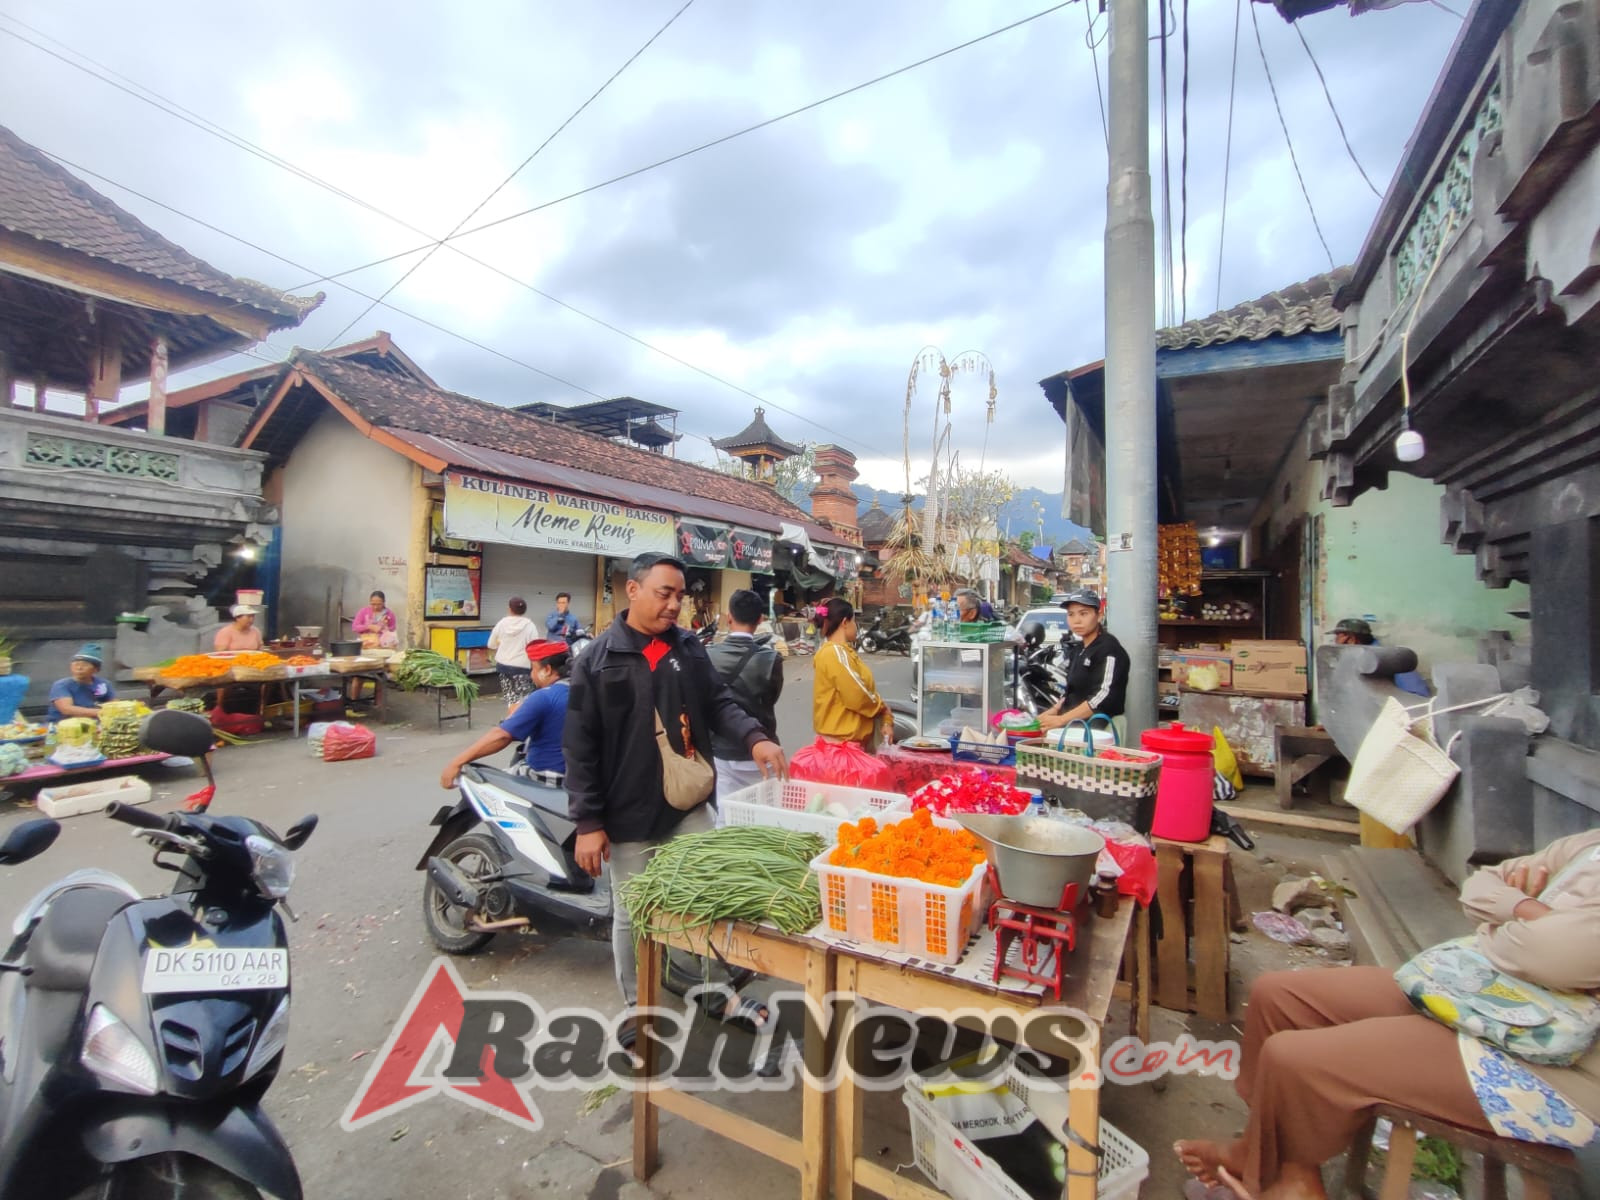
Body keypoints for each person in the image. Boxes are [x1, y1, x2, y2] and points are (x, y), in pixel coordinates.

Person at [1176, 829, 1600, 1200]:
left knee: (1294, 1059)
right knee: (1278, 998)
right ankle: (1281, 1170)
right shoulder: (1589, 844)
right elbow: (1478, 890)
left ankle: (1268, 1173)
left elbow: (1554, 954)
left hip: (1559, 1064)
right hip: (1488, 991)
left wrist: (1514, 912)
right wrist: (1528, 915)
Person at [564, 552, 786, 1041]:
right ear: (634, 590)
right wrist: (587, 822)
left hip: (685, 806)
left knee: (706, 898)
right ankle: (636, 1009)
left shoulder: (687, 649)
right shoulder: (596, 661)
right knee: (633, 915)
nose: (674, 605)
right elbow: (579, 747)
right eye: (664, 594)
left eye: (679, 596)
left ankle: (716, 992)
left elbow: (719, 703)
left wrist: (755, 737)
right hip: (625, 816)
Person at [440, 640, 572, 788]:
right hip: (583, 780)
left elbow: (502, 736)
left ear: (547, 670)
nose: (531, 674)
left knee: (483, 787)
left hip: (544, 778)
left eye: (533, 668)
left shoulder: (544, 697)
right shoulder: (587, 689)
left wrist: (457, 763)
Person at [706, 588, 784, 800]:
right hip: (762, 750)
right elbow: (771, 698)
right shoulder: (771, 659)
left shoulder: (707, 655)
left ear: (729, 617)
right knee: (764, 814)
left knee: (726, 818)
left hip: (721, 752)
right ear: (760, 619)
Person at [1036, 589, 1128, 732]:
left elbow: (1102, 696)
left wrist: (1060, 720)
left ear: (1099, 616)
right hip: (1072, 724)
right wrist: (1049, 714)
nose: (1076, 620)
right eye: (1071, 614)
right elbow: (1072, 692)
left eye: (1083, 613)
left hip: (1096, 729)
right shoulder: (1079, 649)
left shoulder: (1109, 649)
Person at [813, 597, 892, 749]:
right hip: (842, 745)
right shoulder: (835, 652)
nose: (856, 626)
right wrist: (881, 707)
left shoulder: (842, 652)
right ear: (844, 623)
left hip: (848, 744)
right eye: (854, 620)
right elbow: (856, 694)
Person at [1331, 617, 1429, 698]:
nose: (1335, 641)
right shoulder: (1355, 658)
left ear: (1351, 639)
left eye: (1338, 637)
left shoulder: (1387, 658)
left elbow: (1419, 695)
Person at [489, 597, 539, 705]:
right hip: (522, 668)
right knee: (526, 700)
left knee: (511, 699)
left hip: (503, 667)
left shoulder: (501, 623)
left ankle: (512, 718)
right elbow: (534, 647)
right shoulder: (530, 626)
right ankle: (524, 719)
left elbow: (491, 644)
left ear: (509, 609)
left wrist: (501, 643)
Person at [47, 644, 114, 723]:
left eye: (85, 665)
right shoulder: (62, 685)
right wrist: (103, 712)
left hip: (96, 725)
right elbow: (67, 709)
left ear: (96, 669)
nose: (79, 668)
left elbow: (114, 704)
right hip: (63, 726)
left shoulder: (103, 684)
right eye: (76, 664)